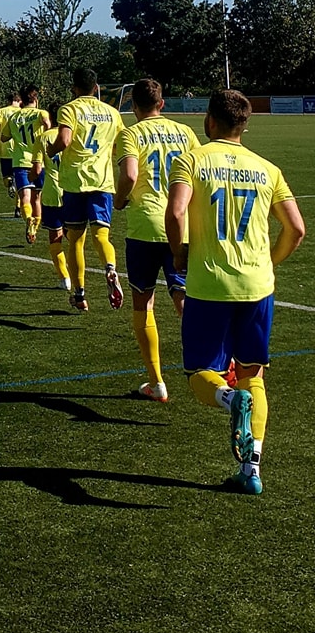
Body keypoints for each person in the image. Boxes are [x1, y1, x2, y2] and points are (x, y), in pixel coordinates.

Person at [165, 89, 305, 494]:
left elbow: (176, 212)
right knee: (253, 375)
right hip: (258, 286)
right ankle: (251, 470)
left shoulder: (191, 160)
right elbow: (296, 229)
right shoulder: (267, 169)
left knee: (200, 374)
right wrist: (269, 263)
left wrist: (179, 254)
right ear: (245, 125)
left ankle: (229, 401)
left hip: (210, 284)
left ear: (209, 121)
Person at [113, 79, 201, 402]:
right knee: (183, 297)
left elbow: (130, 175)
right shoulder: (186, 133)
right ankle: (214, 361)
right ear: (161, 104)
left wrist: (119, 200)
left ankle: (157, 382)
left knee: (143, 301)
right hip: (180, 225)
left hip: (145, 227)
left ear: (133, 106)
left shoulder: (131, 134)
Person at [46, 67, 125, 312]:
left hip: (75, 182)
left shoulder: (69, 109)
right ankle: (110, 268)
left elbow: (64, 140)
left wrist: (51, 150)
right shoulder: (112, 113)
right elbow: (120, 146)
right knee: (101, 236)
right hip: (102, 182)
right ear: (96, 87)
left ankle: (79, 293)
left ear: (74, 88)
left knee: (76, 241)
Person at [0, 85, 50, 244]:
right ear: (35, 99)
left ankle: (28, 219)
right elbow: (48, 125)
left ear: (21, 100)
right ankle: (35, 227)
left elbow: (3, 137)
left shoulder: (14, 117)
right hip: (39, 161)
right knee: (37, 198)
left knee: (25, 199)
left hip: (21, 161)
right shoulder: (41, 113)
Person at [30, 100, 71, 290]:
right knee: (75, 236)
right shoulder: (73, 135)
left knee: (55, 238)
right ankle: (79, 278)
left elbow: (37, 170)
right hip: (72, 191)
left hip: (52, 192)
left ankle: (65, 278)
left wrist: (30, 177)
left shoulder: (43, 137)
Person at [0, 91, 22, 212]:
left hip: (6, 150)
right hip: (20, 150)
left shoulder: (2, 111)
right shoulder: (23, 112)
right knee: (19, 181)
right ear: (19, 100)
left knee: (7, 179)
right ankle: (18, 208)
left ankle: (11, 183)